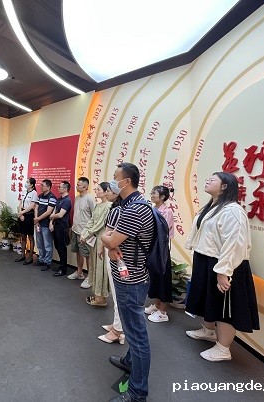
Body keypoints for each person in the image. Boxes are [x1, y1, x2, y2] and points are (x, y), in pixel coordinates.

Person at [185, 172, 259, 361]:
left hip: (225, 264)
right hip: (208, 260)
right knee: (210, 300)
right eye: (208, 178)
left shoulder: (232, 211)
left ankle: (223, 348)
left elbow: (234, 243)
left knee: (225, 307)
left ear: (225, 186)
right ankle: (208, 331)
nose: (207, 180)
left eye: (213, 179)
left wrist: (224, 271)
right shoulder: (212, 206)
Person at [102, 163, 154, 402]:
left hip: (131, 279)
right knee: (132, 328)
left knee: (137, 335)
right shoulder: (131, 205)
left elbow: (111, 240)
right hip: (130, 276)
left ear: (127, 181)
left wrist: (107, 240)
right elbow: (112, 238)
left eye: (116, 178)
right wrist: (110, 240)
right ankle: (130, 361)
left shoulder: (135, 210)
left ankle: (137, 393)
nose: (113, 182)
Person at [145, 185, 175, 323]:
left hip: (161, 249)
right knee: (155, 277)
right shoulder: (153, 209)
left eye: (154, 193)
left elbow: (163, 232)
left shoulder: (167, 212)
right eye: (151, 193)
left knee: (163, 279)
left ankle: (163, 311)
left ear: (163, 197)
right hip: (152, 247)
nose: (152, 195)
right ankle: (156, 305)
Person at [80, 182, 112, 306]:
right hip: (95, 238)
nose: (96, 191)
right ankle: (98, 294)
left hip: (102, 239)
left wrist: (87, 234)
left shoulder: (109, 206)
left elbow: (99, 224)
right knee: (95, 265)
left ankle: (101, 297)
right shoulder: (98, 205)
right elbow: (92, 221)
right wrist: (84, 233)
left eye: (99, 189)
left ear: (105, 192)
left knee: (101, 267)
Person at [99, 186, 124, 344]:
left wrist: (101, 245)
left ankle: (118, 331)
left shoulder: (117, 211)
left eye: (108, 190)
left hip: (116, 255)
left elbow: (108, 235)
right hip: (120, 256)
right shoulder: (121, 209)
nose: (106, 192)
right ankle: (117, 325)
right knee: (118, 293)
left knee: (118, 293)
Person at [67, 177, 95, 287]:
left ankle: (90, 277)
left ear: (85, 187)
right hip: (75, 230)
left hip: (85, 232)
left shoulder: (90, 199)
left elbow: (94, 217)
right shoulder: (77, 198)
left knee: (87, 255)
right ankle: (79, 272)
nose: (76, 186)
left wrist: (90, 232)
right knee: (78, 252)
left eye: (78, 185)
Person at [50, 181, 72, 276]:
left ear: (65, 189)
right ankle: (61, 265)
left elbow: (60, 215)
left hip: (62, 226)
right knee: (57, 246)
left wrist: (51, 217)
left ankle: (63, 269)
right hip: (56, 225)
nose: (58, 188)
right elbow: (55, 212)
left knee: (62, 247)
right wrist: (51, 222)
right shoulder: (59, 199)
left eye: (60, 187)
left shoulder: (67, 200)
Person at [33, 179, 56, 271]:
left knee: (47, 244)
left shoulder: (52, 197)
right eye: (41, 185)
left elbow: (48, 212)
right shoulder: (40, 196)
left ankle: (47, 262)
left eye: (43, 185)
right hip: (38, 223)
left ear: (48, 187)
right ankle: (41, 259)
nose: (41, 187)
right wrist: (36, 219)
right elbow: (36, 208)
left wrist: (38, 219)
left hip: (46, 224)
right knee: (40, 244)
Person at [15, 177, 38, 264]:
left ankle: (30, 256)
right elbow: (20, 203)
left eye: (28, 182)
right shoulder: (24, 192)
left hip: (29, 215)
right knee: (23, 236)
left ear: (32, 185)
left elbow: (32, 206)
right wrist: (20, 214)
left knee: (30, 237)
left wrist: (22, 213)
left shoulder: (34, 193)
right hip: (22, 214)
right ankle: (22, 255)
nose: (26, 183)